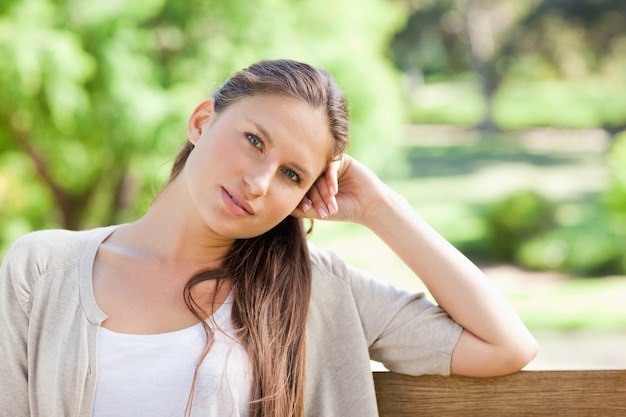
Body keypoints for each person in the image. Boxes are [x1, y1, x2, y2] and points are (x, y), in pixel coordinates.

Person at [0, 59, 537, 417]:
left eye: (292, 175)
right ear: (202, 121)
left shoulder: (317, 291)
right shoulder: (43, 269)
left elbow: (504, 345)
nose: (258, 183)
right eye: (254, 140)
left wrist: (381, 208)